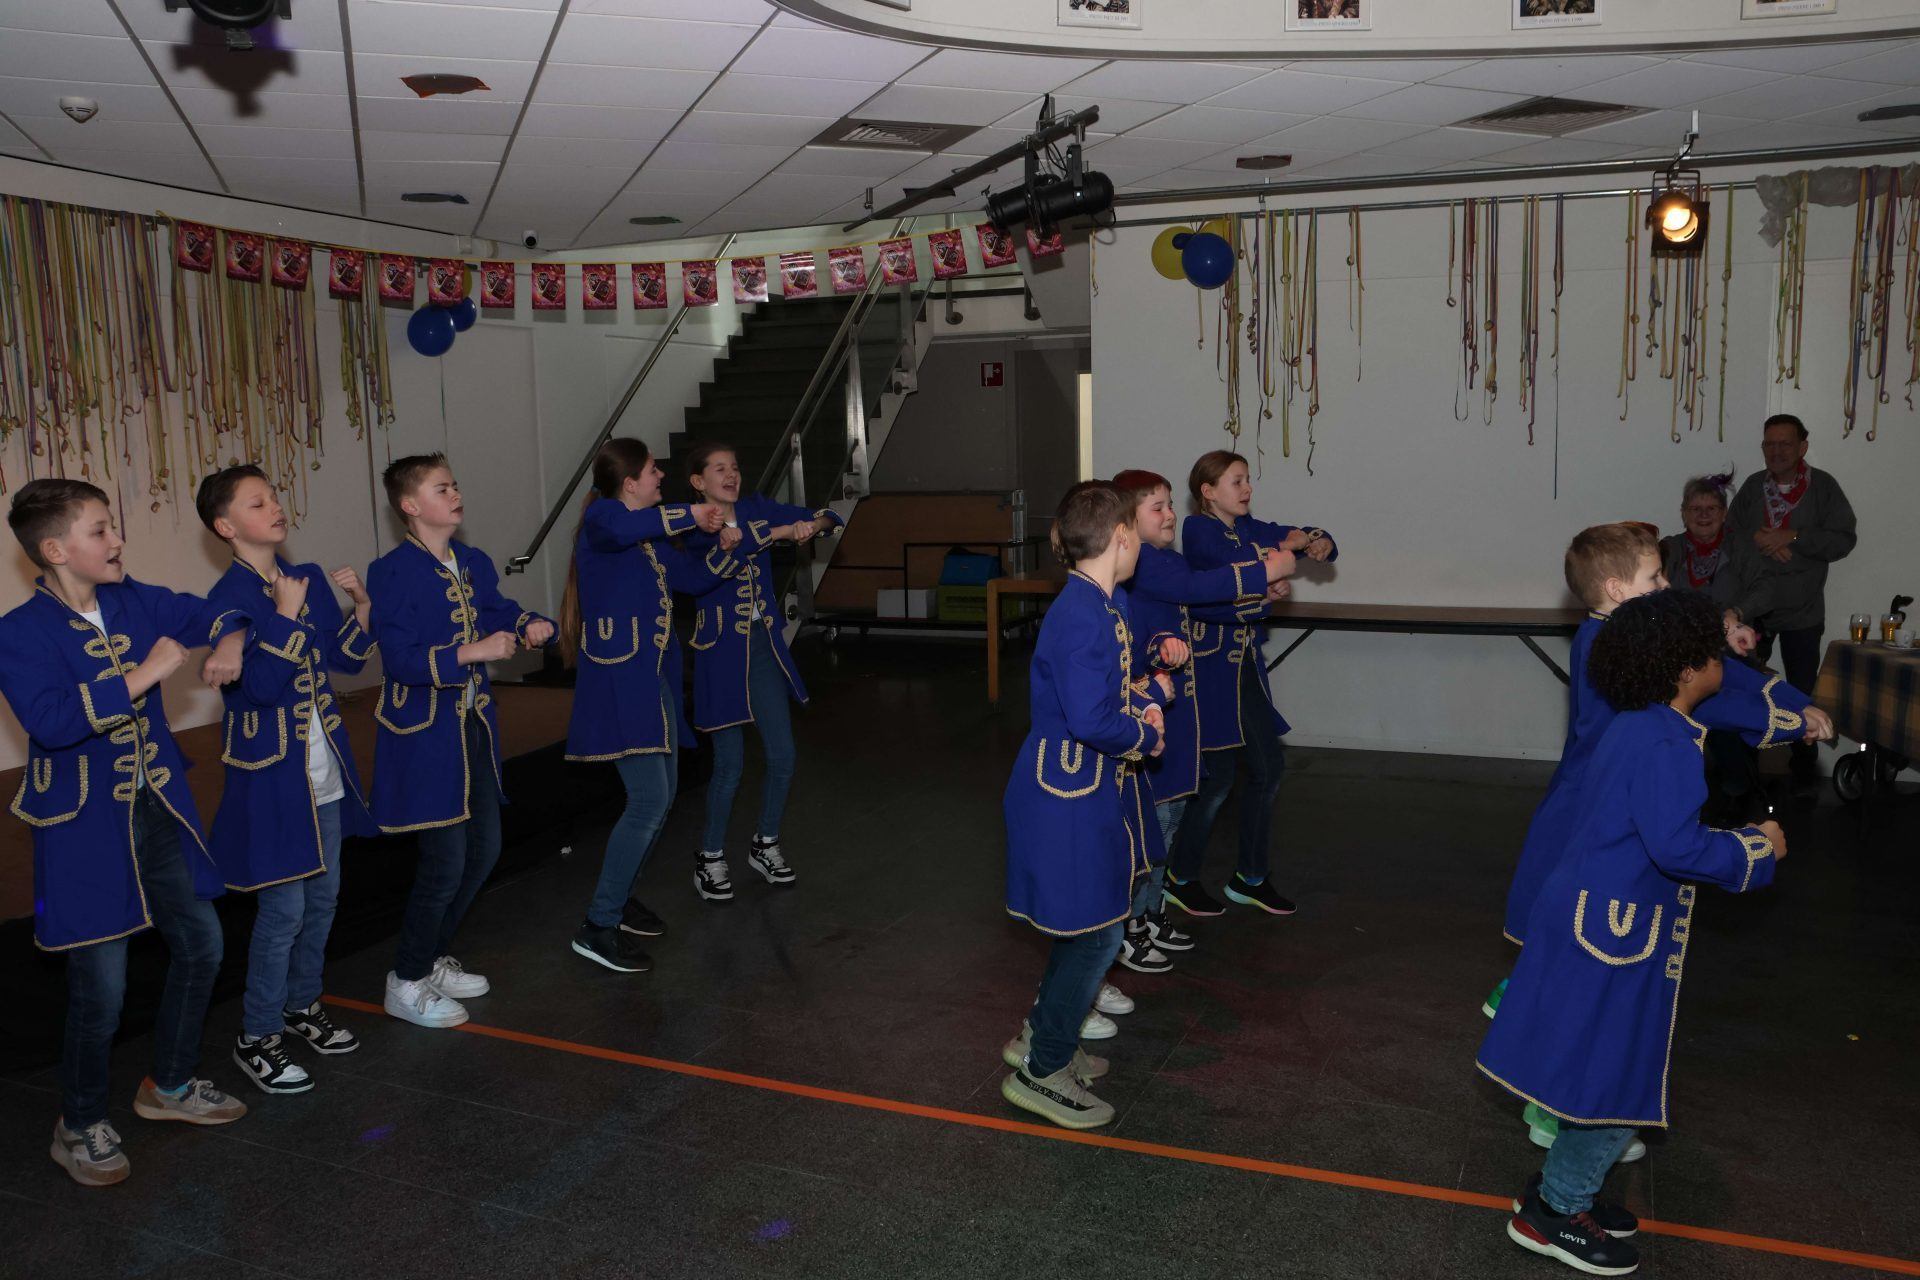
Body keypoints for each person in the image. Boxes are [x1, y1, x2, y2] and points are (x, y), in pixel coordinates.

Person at [1487, 524, 1830, 1157]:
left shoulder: (1622, 641)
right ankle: (1560, 1118)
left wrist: (1773, 688)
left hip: (1601, 825)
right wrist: (1785, 718)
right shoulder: (1631, 677)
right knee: (1581, 995)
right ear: (1617, 589)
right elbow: (1708, 697)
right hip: (1598, 838)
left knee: (1574, 989)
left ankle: (1552, 1074)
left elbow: (1710, 675)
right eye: (1655, 577)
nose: (1667, 585)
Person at [1478, 589, 1788, 1277]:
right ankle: (1555, 1211)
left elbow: (1651, 827)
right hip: (1613, 932)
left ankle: (1563, 1187)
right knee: (1617, 1078)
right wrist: (1755, 848)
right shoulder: (1667, 743)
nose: (1724, 665)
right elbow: (1677, 848)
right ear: (1687, 670)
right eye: (1715, 654)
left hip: (1594, 914)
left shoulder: (1636, 725)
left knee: (1600, 1063)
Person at [1, 479, 252, 1187]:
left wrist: (231, 640)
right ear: (56, 550)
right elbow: (52, 722)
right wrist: (146, 673)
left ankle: (168, 1084)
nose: (117, 540)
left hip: (158, 807)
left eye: (113, 526)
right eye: (101, 530)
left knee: (202, 944)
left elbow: (220, 610)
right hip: (83, 828)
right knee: (101, 991)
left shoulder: (133, 599)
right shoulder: (18, 633)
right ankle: (78, 1123)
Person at [197, 465, 379, 1093]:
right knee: (283, 911)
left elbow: (344, 660)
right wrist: (281, 615)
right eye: (257, 503)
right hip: (272, 777)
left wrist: (362, 607)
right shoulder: (227, 600)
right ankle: (258, 1034)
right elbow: (259, 688)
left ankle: (302, 1005)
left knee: (324, 899)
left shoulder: (304, 579)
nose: (275, 508)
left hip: (323, 769)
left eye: (274, 497)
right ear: (226, 526)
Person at [367, 453, 556, 1029]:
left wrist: (527, 623)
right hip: (424, 736)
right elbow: (400, 660)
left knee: (485, 849)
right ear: (410, 505)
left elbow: (498, 609)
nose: (454, 494)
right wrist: (473, 651)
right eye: (440, 488)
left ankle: (429, 959)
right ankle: (405, 979)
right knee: (445, 862)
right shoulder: (391, 572)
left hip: (472, 726)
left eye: (454, 485)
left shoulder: (471, 561)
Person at [998, 481, 1162, 1130]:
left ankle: (1043, 1038)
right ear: (1121, 536)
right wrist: (1144, 735)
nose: (1143, 543)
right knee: (1097, 934)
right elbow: (1092, 718)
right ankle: (1043, 1071)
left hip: (1084, 789)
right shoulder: (1081, 612)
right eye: (1138, 531)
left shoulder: (1098, 602)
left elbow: (1101, 694)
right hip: (1064, 796)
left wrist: (1142, 702)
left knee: (1090, 929)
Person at [557, 438, 743, 973]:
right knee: (647, 800)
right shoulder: (605, 519)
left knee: (659, 799)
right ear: (629, 482)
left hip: (651, 681)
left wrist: (730, 548)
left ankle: (620, 897)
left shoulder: (650, 536)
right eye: (652, 470)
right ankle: (598, 924)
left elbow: (693, 580)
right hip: (621, 683)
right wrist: (692, 514)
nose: (661, 475)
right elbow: (621, 529)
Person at [1110, 467, 1292, 971]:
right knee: (1151, 829)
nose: (1171, 515)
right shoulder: (1144, 564)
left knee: (1168, 822)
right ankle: (1132, 924)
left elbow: (1197, 606)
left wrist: (1258, 598)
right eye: (1158, 507)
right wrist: (1263, 573)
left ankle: (1151, 912)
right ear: (1126, 519)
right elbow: (1194, 587)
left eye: (1171, 504)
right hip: (1149, 716)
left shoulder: (1163, 559)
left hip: (1174, 715)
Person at [1165, 450, 1335, 919]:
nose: (1247, 489)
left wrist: (1317, 540)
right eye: (1236, 481)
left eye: (1247, 480)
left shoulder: (1246, 527)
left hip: (1244, 668)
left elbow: (1291, 538)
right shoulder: (1199, 530)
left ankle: (1250, 878)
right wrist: (1274, 569)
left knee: (1268, 768)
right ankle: (1180, 877)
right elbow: (1238, 570)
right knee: (1218, 778)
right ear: (1208, 491)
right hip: (1210, 673)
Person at [678, 442, 842, 901]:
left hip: (762, 647)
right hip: (720, 652)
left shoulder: (756, 508)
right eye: (719, 469)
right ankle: (710, 856)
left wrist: (812, 525)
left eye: (734, 466)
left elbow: (829, 515)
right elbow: (738, 545)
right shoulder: (695, 522)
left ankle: (765, 842)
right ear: (698, 482)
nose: (731, 474)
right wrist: (784, 531)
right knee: (729, 764)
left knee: (783, 754)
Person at [1727, 414, 1857, 789]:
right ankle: (1743, 778)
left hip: (1803, 610)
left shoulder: (1823, 487)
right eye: (1770, 444)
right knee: (1746, 688)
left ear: (1803, 447)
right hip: (1755, 610)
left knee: (1802, 693)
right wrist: (1760, 539)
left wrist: (1794, 536)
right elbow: (1729, 533)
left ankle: (1804, 774)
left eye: (1785, 443)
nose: (1777, 451)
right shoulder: (1753, 487)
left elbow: (1844, 539)